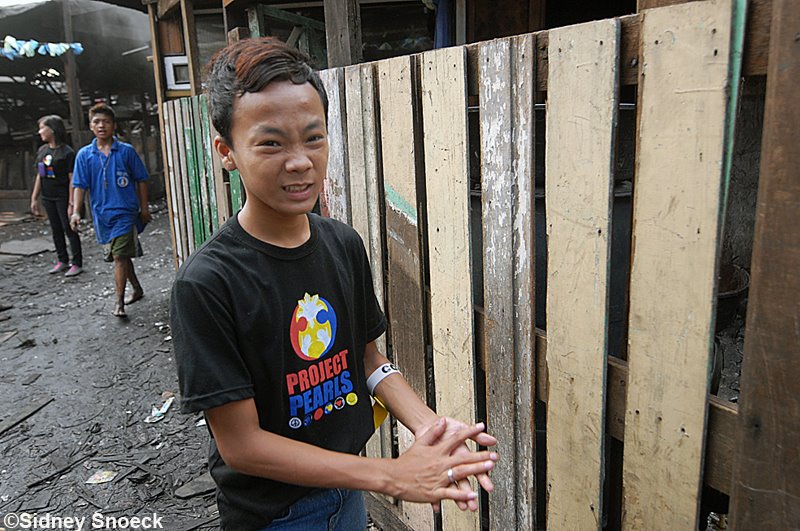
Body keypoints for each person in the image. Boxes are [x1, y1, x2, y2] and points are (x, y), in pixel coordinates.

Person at [170, 37, 498, 530]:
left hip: (347, 495)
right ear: (227, 152)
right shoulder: (207, 283)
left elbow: (367, 359)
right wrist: (391, 476)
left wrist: (428, 424)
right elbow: (241, 445)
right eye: (271, 143)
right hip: (276, 517)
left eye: (313, 138)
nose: (300, 161)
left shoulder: (342, 244)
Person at [70, 103, 151, 318]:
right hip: (102, 216)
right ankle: (137, 288)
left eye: (106, 121)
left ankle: (119, 303)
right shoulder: (84, 155)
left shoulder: (126, 151)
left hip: (125, 212)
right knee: (120, 255)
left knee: (119, 256)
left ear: (114, 125)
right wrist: (76, 211)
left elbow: (142, 180)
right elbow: (79, 185)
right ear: (90, 126)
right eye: (96, 122)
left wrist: (144, 208)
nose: (101, 125)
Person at [30, 115, 82, 277]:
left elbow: (72, 179)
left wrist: (71, 203)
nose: (39, 132)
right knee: (56, 229)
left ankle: (77, 263)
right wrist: (34, 198)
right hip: (48, 196)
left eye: (42, 128)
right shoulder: (42, 151)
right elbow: (40, 175)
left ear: (52, 130)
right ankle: (62, 260)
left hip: (62, 196)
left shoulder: (67, 152)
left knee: (69, 228)